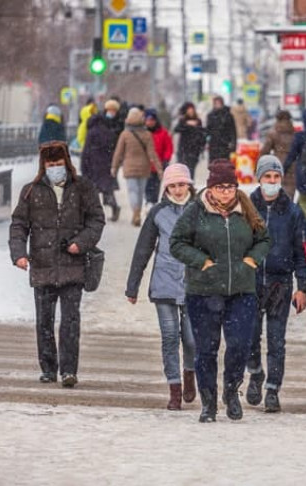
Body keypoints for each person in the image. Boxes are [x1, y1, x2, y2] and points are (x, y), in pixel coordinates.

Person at [170, 160, 271, 422]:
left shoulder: (246, 208)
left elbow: (264, 239)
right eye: (221, 187)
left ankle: (231, 390)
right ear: (211, 188)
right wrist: (202, 261)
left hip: (241, 290)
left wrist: (251, 260)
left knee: (239, 344)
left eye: (230, 187)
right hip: (204, 291)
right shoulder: (196, 210)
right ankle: (208, 402)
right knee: (206, 348)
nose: (226, 192)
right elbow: (177, 243)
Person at [9, 141, 106, 388]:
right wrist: (18, 253)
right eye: (50, 164)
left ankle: (69, 370)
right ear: (43, 165)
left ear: (67, 163)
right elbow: (19, 224)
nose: (55, 168)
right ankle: (49, 368)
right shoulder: (31, 191)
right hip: (42, 265)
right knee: (44, 320)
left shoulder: (83, 188)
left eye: (59, 164)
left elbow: (96, 220)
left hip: (73, 265)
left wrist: (81, 243)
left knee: (71, 320)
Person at [126, 163, 197, 411]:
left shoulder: (199, 210)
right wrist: (132, 286)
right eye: (173, 186)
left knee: (191, 339)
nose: (178, 190)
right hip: (164, 283)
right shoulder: (158, 212)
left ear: (189, 185)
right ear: (166, 187)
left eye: (182, 185)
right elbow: (143, 249)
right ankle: (174, 389)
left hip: (193, 285)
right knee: (169, 337)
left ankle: (190, 373)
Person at [246, 155, 306, 413]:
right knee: (249, 336)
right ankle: (255, 373)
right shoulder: (247, 208)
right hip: (250, 282)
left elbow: (304, 250)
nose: (272, 181)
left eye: (276, 177)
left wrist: (302, 287)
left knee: (276, 340)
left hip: (279, 284)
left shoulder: (293, 213)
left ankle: (273, 388)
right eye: (267, 177)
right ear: (260, 178)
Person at [111, 107, 164, 227]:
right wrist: (159, 168)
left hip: (129, 167)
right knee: (140, 192)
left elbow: (118, 153)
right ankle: (138, 212)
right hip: (144, 168)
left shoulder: (124, 134)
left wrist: (114, 167)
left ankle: (135, 212)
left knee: (132, 191)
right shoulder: (147, 134)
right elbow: (152, 153)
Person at [81, 100, 122, 222]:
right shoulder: (109, 131)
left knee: (92, 190)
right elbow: (113, 147)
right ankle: (113, 206)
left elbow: (86, 150)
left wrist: (84, 166)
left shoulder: (91, 132)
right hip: (106, 163)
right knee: (106, 189)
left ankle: (92, 214)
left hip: (93, 164)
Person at [260, 110, 296, 198]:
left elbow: (265, 151)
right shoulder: (294, 133)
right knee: (289, 193)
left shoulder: (273, 133)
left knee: (276, 193)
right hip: (293, 166)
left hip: (278, 165)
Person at [144, 108, 174, 206]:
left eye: (152, 120)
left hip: (158, 165)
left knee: (155, 186)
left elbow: (169, 147)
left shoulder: (163, 133)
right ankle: (148, 201)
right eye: (147, 120)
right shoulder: (142, 133)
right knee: (146, 185)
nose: (149, 122)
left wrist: (166, 159)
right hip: (145, 165)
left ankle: (153, 202)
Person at [174, 102, 206, 179]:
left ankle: (190, 187)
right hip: (184, 150)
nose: (191, 112)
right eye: (189, 110)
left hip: (194, 150)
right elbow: (177, 129)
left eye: (192, 110)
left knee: (191, 171)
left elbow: (201, 134)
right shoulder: (183, 120)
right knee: (183, 171)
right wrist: (187, 124)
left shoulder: (198, 121)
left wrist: (201, 147)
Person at [206, 96, 237, 162]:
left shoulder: (228, 115)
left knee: (224, 165)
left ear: (222, 103)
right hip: (214, 145)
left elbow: (233, 131)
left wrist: (233, 144)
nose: (217, 105)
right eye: (216, 103)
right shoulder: (210, 115)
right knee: (214, 165)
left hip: (225, 144)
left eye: (219, 103)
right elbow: (208, 130)